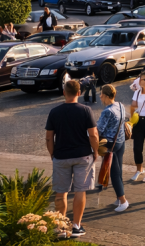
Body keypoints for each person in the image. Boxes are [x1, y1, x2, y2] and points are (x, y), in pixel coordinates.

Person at [45, 78, 98, 238]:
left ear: (64, 93)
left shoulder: (54, 112)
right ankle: (76, 226)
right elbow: (93, 134)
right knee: (80, 191)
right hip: (83, 155)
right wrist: (95, 151)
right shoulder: (85, 110)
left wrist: (52, 154)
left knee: (61, 193)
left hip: (61, 156)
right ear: (79, 93)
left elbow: (49, 137)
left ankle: (60, 228)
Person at [96, 84, 129, 212]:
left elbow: (99, 130)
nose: (100, 97)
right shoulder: (120, 105)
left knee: (114, 174)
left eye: (101, 95)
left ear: (105, 96)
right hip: (120, 142)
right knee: (118, 171)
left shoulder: (107, 111)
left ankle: (123, 201)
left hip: (110, 145)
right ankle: (118, 197)